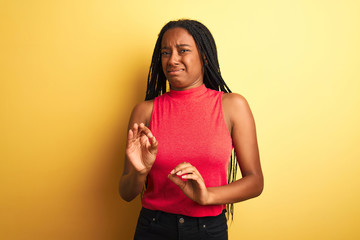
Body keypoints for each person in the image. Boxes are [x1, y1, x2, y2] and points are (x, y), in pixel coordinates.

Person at [119, 19, 264, 240]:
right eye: (165, 52)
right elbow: (126, 193)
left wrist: (206, 196)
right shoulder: (144, 112)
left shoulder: (232, 106)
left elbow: (255, 181)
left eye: (183, 50)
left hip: (208, 230)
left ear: (204, 56)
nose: (172, 59)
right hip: (153, 227)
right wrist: (139, 173)